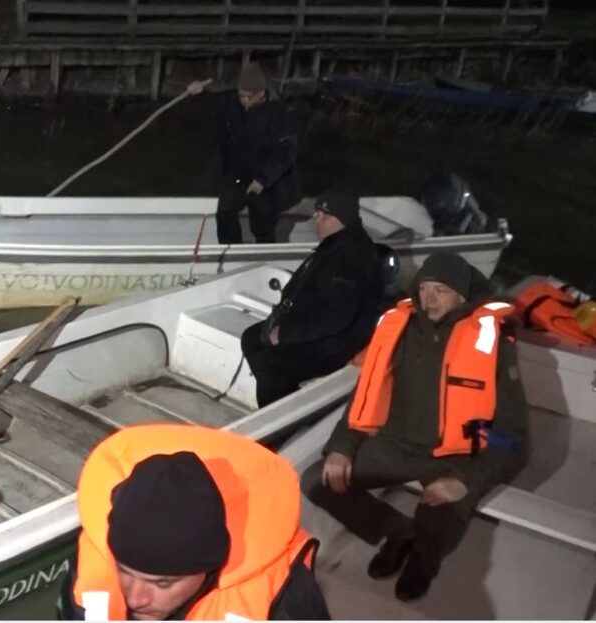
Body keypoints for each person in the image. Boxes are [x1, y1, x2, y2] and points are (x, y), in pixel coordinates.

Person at [300, 251, 529, 602]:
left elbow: (512, 437)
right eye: (424, 288)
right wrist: (342, 447)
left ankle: (424, 559)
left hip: (455, 455)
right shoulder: (400, 329)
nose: (429, 298)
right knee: (317, 480)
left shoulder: (493, 343)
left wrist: (467, 479)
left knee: (442, 513)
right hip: (395, 444)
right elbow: (366, 394)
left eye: (441, 290)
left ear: (462, 296)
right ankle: (398, 531)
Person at [60, 423, 330, 620]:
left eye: (162, 583)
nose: (134, 599)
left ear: (209, 568)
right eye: (124, 571)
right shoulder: (90, 570)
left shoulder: (287, 597)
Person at [240, 192, 384, 408]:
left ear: (341, 219)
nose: (317, 219)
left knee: (272, 362)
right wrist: (281, 320)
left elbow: (336, 318)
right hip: (314, 327)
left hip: (338, 342)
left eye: (324, 215)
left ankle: (280, 421)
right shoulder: (334, 244)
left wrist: (286, 333)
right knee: (252, 338)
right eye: (317, 213)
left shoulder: (352, 256)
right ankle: (283, 401)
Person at [188, 63, 301, 244]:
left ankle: (264, 250)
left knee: (262, 220)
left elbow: (286, 153)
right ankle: (230, 250)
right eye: (241, 95)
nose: (244, 101)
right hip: (237, 175)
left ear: (261, 93)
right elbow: (210, 106)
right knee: (225, 213)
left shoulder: (280, 114)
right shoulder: (232, 102)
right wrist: (199, 94)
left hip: (266, 179)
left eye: (249, 97)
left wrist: (263, 180)